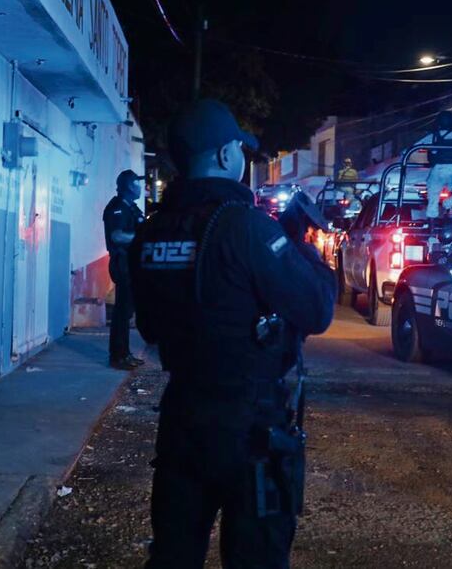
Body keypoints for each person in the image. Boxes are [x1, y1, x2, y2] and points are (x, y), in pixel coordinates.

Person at [130, 99, 336, 569]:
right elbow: (317, 309)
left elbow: (150, 327)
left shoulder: (150, 232)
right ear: (226, 155)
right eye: (240, 150)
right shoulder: (245, 227)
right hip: (249, 430)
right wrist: (302, 247)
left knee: (173, 556)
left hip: (182, 421)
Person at [102, 169, 147, 370]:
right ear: (129, 186)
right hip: (123, 263)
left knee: (127, 311)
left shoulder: (131, 207)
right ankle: (118, 356)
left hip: (131, 263)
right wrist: (143, 238)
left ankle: (125, 353)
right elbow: (117, 236)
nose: (140, 187)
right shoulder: (117, 207)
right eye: (137, 183)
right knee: (122, 312)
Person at [415, 110, 452, 222]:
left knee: (433, 194)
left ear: (439, 123)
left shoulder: (433, 136)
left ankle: (432, 223)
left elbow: (416, 145)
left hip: (438, 169)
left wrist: (404, 153)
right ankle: (449, 205)